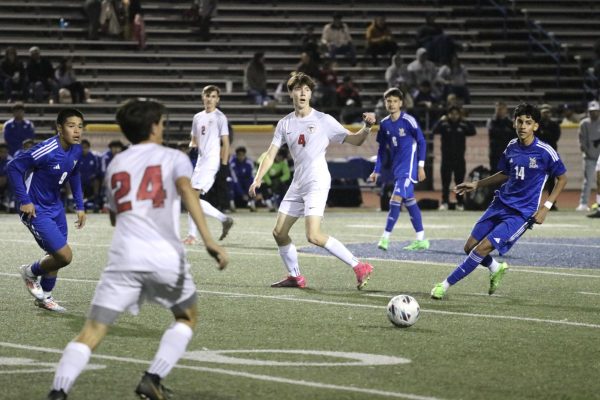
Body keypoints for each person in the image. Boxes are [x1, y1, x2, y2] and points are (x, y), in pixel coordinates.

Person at [45, 98, 228, 400]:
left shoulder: (117, 163)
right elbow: (187, 194)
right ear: (155, 126)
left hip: (124, 258)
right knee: (186, 317)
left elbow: (116, 216)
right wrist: (210, 241)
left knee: (92, 331)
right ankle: (152, 378)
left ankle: (58, 391)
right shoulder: (174, 158)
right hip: (164, 257)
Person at [248, 71, 376, 289]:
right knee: (279, 233)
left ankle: (359, 266)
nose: (303, 93)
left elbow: (355, 140)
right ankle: (295, 276)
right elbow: (270, 154)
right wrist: (258, 178)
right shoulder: (284, 124)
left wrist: (367, 127)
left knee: (313, 235)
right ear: (290, 93)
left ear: (311, 94)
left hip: (316, 181)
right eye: (298, 89)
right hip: (298, 182)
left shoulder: (323, 120)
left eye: (307, 89)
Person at [431, 103, 567, 300]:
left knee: (481, 248)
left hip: (521, 214)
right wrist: (477, 184)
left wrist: (545, 207)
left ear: (535, 126)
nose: (523, 126)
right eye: (520, 121)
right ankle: (495, 267)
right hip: (500, 204)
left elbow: (562, 179)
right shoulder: (511, 146)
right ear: (514, 123)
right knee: (469, 247)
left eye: (528, 123)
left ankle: (444, 285)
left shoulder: (545, 152)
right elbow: (505, 173)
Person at [7, 108, 86, 313]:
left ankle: (46, 298)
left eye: (80, 126)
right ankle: (30, 271)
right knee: (64, 255)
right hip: (35, 209)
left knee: (56, 257)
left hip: (56, 207)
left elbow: (75, 172)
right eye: (71, 126)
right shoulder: (47, 149)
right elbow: (13, 167)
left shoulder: (76, 149)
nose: (77, 131)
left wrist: (80, 205)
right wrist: (24, 200)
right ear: (59, 128)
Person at [368, 88, 429, 251]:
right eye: (389, 101)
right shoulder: (384, 123)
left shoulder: (409, 121)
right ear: (385, 103)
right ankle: (421, 239)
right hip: (397, 169)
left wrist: (421, 166)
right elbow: (381, 150)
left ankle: (385, 238)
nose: (392, 104)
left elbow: (422, 142)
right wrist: (376, 170)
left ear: (401, 103)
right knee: (410, 203)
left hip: (408, 170)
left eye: (395, 101)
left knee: (394, 200)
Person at [182, 85, 233, 245]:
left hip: (211, 162)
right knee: (190, 198)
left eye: (213, 96)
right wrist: (189, 149)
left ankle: (221, 219)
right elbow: (194, 141)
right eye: (207, 96)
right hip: (200, 162)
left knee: (191, 196)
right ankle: (193, 235)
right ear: (202, 97)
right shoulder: (197, 117)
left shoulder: (220, 117)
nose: (210, 99)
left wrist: (224, 165)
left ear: (217, 99)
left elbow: (225, 143)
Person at [432, 105, 476, 210]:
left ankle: (459, 203)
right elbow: (434, 131)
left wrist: (465, 120)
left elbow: (473, 131)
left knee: (460, 182)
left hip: (459, 159)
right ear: (448, 115)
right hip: (446, 159)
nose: (454, 116)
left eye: (456, 114)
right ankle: (444, 202)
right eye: (452, 113)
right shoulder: (444, 124)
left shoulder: (463, 125)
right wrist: (440, 120)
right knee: (445, 182)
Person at [577, 100, 600, 211]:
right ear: (588, 112)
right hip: (589, 157)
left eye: (595, 111)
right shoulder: (584, 124)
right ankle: (583, 203)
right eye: (591, 111)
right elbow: (582, 141)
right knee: (588, 181)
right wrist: (588, 153)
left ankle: (598, 203)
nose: (593, 113)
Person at [537, 104, 562, 206]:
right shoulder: (537, 125)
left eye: (547, 112)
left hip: (551, 155)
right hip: (539, 155)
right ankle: (533, 203)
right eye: (544, 112)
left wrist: (544, 133)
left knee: (551, 180)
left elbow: (555, 137)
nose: (546, 114)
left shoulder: (554, 125)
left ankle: (551, 203)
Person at [487, 101, 516, 173]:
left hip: (508, 153)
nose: (499, 111)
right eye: (498, 109)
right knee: (494, 175)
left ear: (506, 110)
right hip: (495, 154)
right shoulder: (491, 121)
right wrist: (507, 132)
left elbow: (515, 135)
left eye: (501, 109)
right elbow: (495, 132)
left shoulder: (510, 122)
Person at [229, 146, 256, 211]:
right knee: (230, 182)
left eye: (242, 155)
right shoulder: (232, 163)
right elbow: (235, 179)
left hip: (246, 182)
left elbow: (253, 177)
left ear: (245, 155)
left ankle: (252, 203)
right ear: (236, 155)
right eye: (239, 155)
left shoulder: (249, 163)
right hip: (237, 183)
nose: (241, 157)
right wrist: (242, 194)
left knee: (252, 182)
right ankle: (232, 204)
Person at [79, 139, 101, 211]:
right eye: (82, 147)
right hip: (80, 180)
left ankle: (96, 202)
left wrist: (93, 175)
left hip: (90, 180)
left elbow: (97, 170)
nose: (84, 149)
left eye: (85, 147)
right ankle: (73, 202)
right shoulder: (76, 157)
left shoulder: (94, 157)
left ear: (88, 148)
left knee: (96, 181)